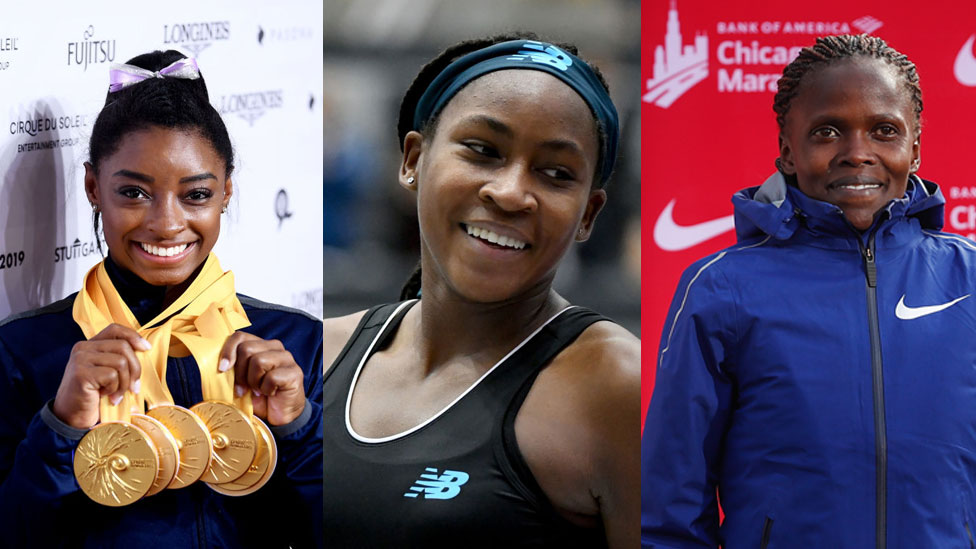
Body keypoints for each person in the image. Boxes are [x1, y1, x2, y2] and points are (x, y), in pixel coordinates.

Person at [641, 34, 976, 548]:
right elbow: (671, 507)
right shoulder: (722, 288)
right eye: (827, 132)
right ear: (787, 152)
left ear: (915, 146)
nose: (857, 153)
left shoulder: (967, 277)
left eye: (884, 130)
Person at [322, 34, 640, 548]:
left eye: (556, 173)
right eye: (482, 150)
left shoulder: (620, 389)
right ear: (412, 159)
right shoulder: (322, 354)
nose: (511, 192)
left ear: (589, 213)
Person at [0, 50, 322, 548]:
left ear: (227, 193)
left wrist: (299, 427)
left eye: (195, 195)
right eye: (134, 193)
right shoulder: (23, 350)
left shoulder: (296, 343)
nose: (166, 224)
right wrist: (60, 429)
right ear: (93, 187)